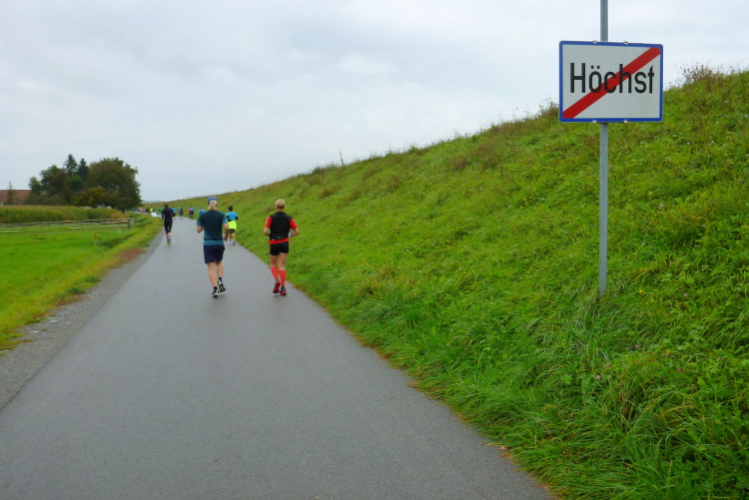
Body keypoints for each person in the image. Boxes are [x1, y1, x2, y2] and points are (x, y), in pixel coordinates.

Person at [263, 199, 299, 296]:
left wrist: (270, 235)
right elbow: (297, 231)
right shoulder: (288, 218)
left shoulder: (271, 217)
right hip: (284, 243)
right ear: (284, 206)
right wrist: (288, 236)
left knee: (273, 264)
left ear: (276, 206)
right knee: (282, 265)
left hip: (274, 242)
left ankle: (276, 279)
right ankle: (283, 287)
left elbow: (265, 231)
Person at [197, 196, 230, 298]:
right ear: (217, 204)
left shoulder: (203, 216)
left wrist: (204, 225)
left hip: (208, 244)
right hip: (219, 243)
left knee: (211, 267)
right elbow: (227, 227)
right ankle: (220, 279)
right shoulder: (221, 215)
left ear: (207, 204)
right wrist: (226, 236)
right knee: (219, 263)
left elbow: (198, 230)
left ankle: (215, 289)